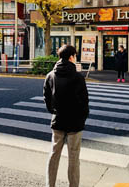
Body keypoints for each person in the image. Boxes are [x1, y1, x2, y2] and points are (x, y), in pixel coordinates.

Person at [43, 45, 89, 187]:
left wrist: (54, 111)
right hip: (75, 123)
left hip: (58, 121)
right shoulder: (78, 77)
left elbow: (47, 97)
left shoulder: (51, 75)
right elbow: (84, 101)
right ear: (71, 57)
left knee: (54, 154)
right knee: (74, 157)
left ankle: (50, 185)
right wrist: (82, 118)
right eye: (75, 56)